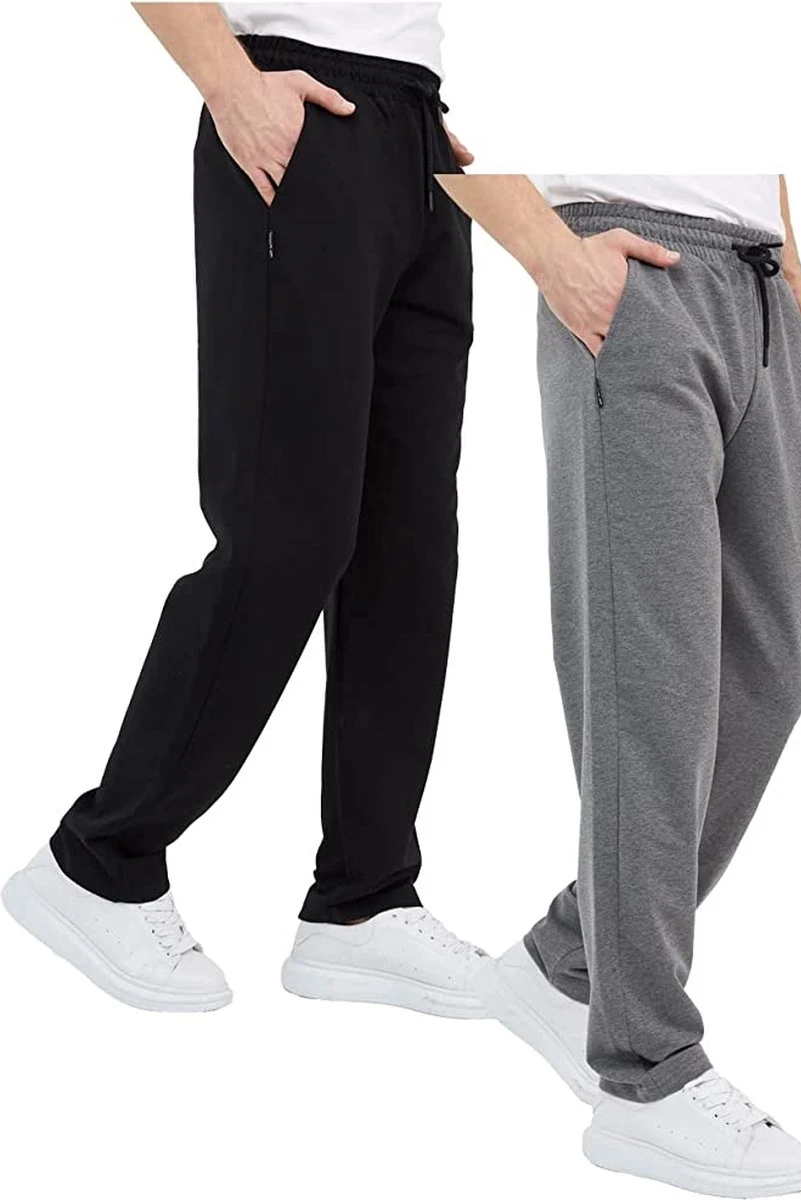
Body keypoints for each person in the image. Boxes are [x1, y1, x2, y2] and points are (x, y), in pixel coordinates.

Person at [2, 2, 487, 1017]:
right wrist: (228, 81)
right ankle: (100, 860)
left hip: (420, 132)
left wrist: (418, 135)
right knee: (288, 529)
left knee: (408, 548)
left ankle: (364, 898)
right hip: (295, 104)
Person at [436, 173, 801, 1197]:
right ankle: (645, 1073)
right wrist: (550, 253)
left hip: (761, 288)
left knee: (768, 680)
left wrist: (789, 252)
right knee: (652, 688)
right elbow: (441, 108)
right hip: (629, 268)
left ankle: (569, 958)